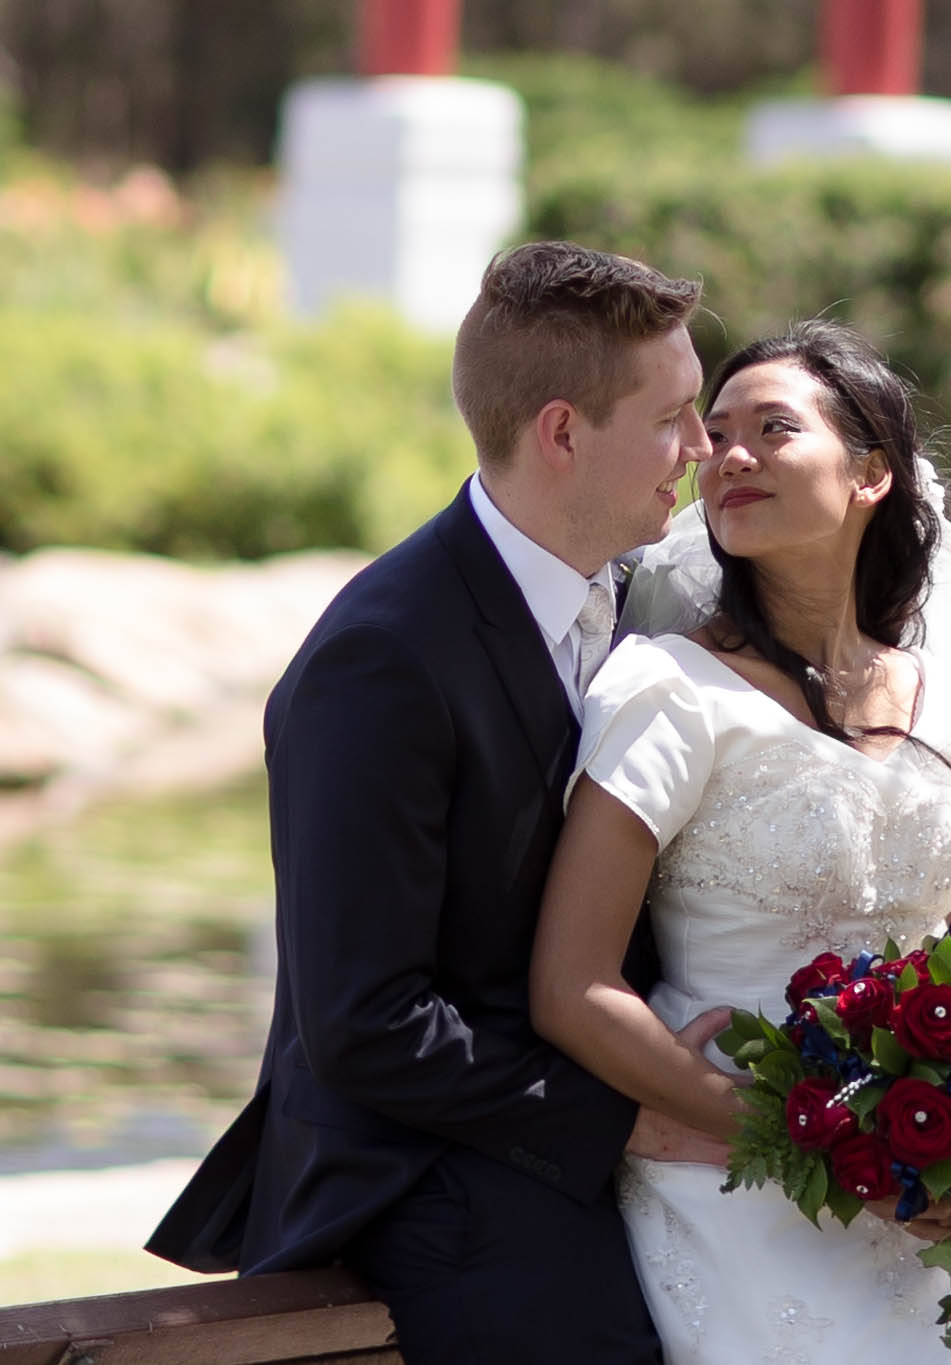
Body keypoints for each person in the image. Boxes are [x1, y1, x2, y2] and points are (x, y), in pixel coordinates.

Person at [145, 241, 724, 1365]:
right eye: (672, 418)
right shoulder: (382, 661)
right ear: (562, 432)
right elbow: (368, 1024)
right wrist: (630, 1120)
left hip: (591, 1122)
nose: (700, 447)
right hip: (423, 1172)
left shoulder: (637, 597)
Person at [528, 320, 951, 1361]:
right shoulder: (669, 693)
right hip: (730, 1170)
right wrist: (795, 1131)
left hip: (927, 1193)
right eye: (716, 434)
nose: (729, 457)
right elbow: (572, 986)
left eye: (773, 429)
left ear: (870, 472)